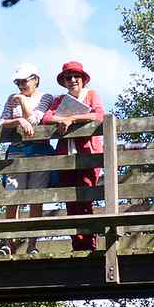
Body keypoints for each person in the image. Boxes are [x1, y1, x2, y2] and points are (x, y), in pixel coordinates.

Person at [47, 60, 107, 251]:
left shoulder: (91, 95)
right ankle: (77, 246)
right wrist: (61, 119)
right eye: (68, 77)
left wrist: (72, 118)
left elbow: (99, 115)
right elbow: (47, 117)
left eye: (76, 76)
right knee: (71, 202)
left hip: (87, 155)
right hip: (66, 157)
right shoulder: (59, 100)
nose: (73, 80)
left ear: (83, 79)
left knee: (85, 199)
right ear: (64, 81)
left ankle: (89, 246)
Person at [0, 64, 57, 255]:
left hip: (40, 152)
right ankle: (9, 242)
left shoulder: (46, 97)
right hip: (17, 151)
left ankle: (32, 243)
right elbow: (2, 122)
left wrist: (22, 103)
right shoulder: (11, 98)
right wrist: (18, 121)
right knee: (13, 196)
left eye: (24, 81)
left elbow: (34, 120)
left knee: (35, 199)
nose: (20, 85)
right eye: (18, 82)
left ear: (35, 79)